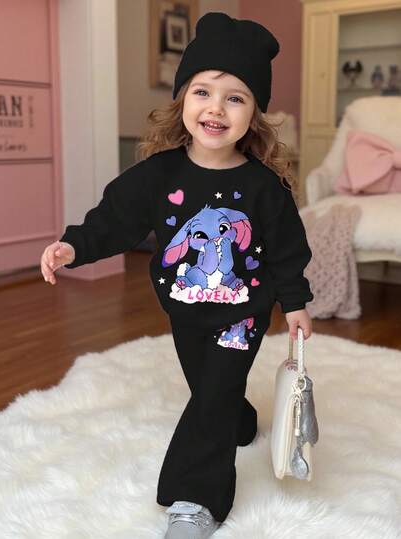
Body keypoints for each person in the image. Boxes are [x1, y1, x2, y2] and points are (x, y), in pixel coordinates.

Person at [40, 11, 313, 539]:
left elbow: (286, 250)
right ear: (183, 98)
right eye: (203, 92)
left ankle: (196, 500)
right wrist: (74, 246)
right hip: (185, 309)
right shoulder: (158, 175)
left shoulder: (264, 189)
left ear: (254, 114)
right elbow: (114, 220)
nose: (216, 108)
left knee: (211, 393)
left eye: (235, 98)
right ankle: (238, 419)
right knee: (211, 386)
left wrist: (296, 301)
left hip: (244, 313)